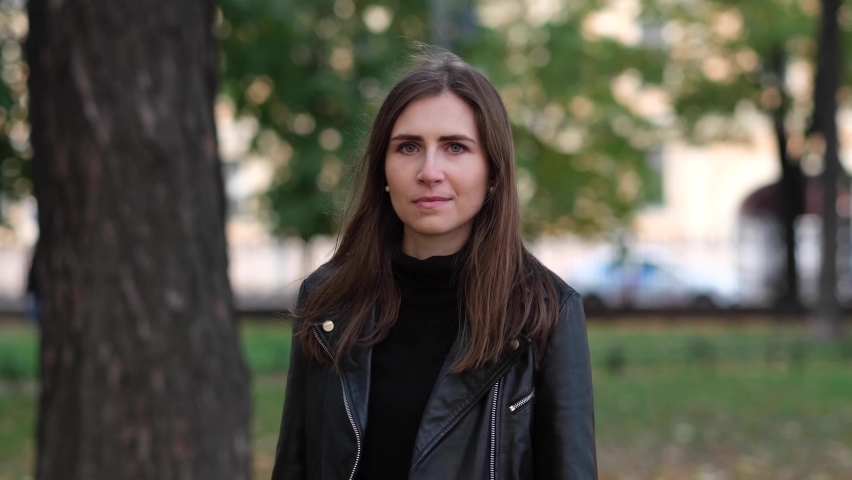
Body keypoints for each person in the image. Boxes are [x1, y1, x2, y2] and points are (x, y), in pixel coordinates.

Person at [272, 47, 597, 480]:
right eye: (408, 147)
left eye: (455, 147)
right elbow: (294, 466)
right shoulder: (328, 303)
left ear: (493, 170)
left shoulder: (543, 312)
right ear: (383, 170)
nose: (429, 171)